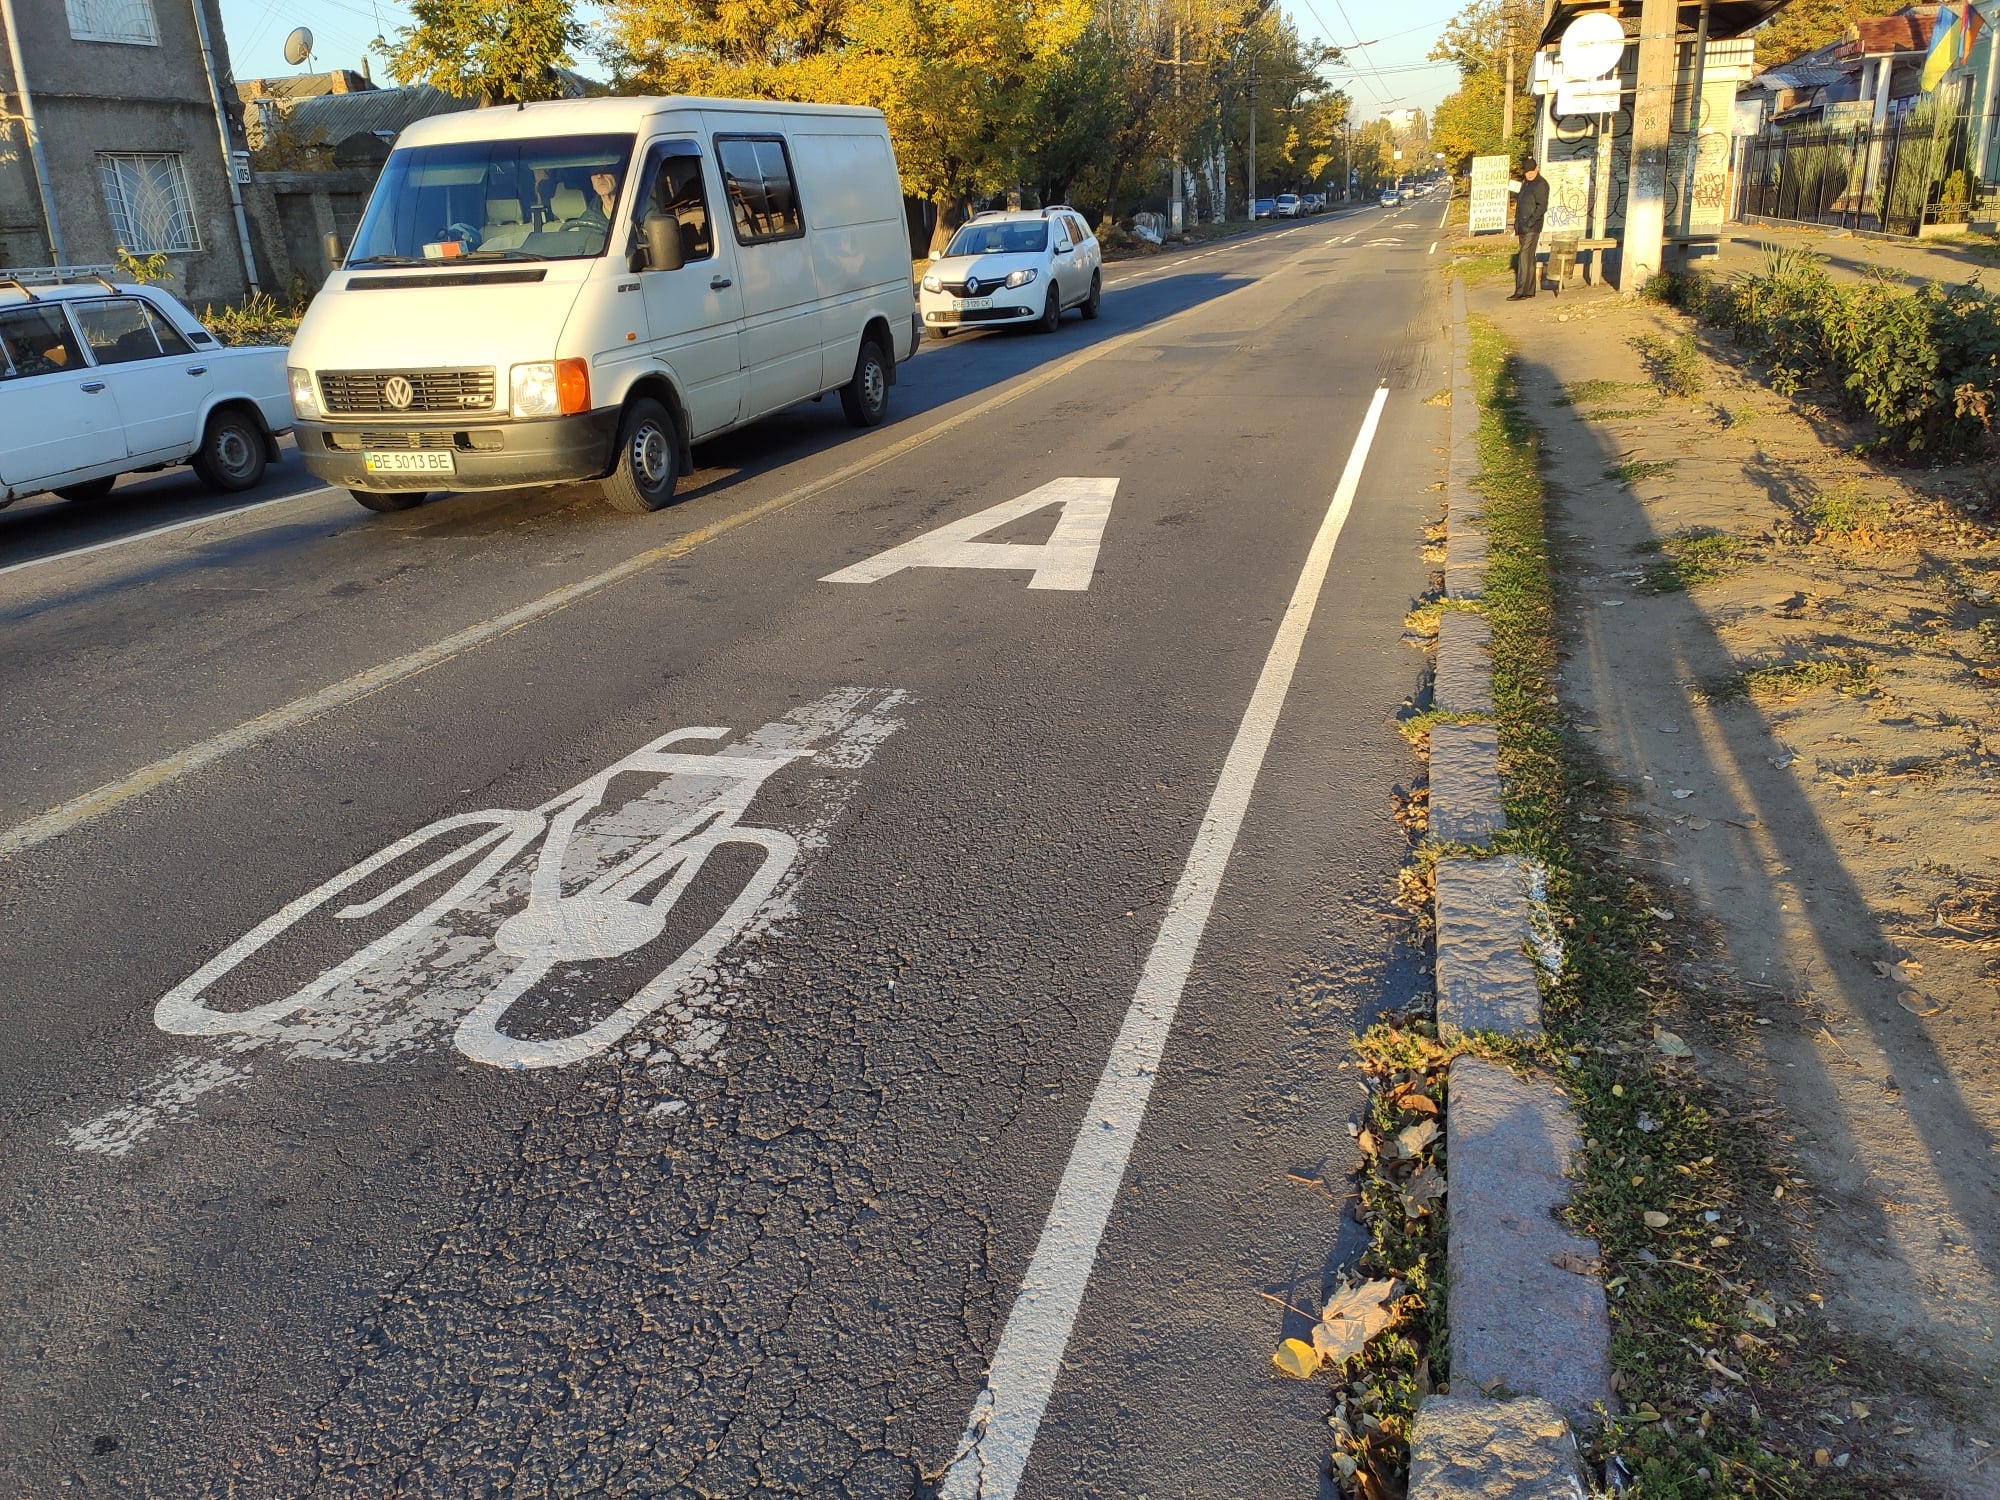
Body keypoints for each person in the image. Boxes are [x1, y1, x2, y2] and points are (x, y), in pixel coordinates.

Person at [1509, 158, 1550, 301]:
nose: (1530, 174)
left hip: (1532, 226)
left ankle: (1520, 291)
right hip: (1522, 225)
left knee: (1524, 257)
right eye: (1527, 172)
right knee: (1529, 258)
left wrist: (1531, 222)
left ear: (1537, 169)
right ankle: (1529, 290)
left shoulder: (1540, 184)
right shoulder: (1526, 184)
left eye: (1532, 171)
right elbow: (1521, 201)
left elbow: (1542, 206)